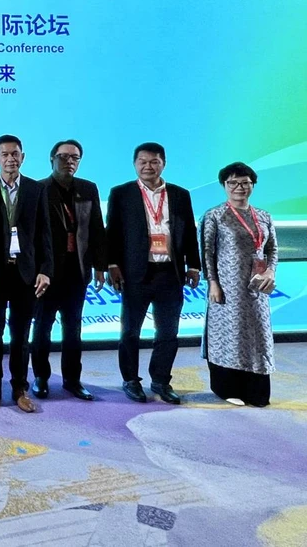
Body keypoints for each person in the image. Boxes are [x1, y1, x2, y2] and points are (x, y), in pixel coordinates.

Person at [107, 142, 200, 404]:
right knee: (130, 332)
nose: (148, 166)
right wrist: (113, 265)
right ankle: (130, 380)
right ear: (135, 164)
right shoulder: (121, 193)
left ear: (164, 163)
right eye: (142, 162)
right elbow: (112, 232)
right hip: (136, 273)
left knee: (168, 332)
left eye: (154, 161)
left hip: (170, 273)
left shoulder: (180, 194)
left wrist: (194, 265)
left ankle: (160, 380)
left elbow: (189, 232)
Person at [0, 135, 52, 413]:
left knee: (21, 336)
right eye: (4, 154)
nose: (10, 159)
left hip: (26, 274)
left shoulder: (36, 189)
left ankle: (20, 388)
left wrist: (45, 271)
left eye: (15, 154)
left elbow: (45, 233)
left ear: (23, 157)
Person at [31, 140, 107, 401]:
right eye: (63, 157)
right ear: (51, 159)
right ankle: (41, 378)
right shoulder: (38, 189)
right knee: (42, 327)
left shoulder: (88, 188)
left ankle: (72, 380)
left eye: (74, 158)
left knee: (73, 328)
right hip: (47, 273)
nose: (69, 162)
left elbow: (96, 228)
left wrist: (100, 266)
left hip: (78, 270)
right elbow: (32, 235)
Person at [200, 162, 278, 407]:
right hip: (227, 288)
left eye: (245, 183)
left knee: (258, 335)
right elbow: (206, 252)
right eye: (233, 183)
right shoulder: (214, 215)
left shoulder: (264, 216)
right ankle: (226, 388)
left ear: (253, 185)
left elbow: (272, 249)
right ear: (224, 186)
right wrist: (213, 282)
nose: (239, 187)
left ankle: (256, 390)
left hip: (258, 288)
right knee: (230, 335)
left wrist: (271, 272)